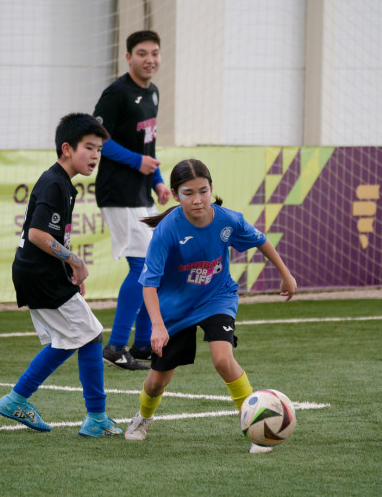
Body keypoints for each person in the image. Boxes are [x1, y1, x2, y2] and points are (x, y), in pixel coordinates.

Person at [124, 159, 297, 453]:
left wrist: (286, 274)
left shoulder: (228, 220)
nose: (198, 199)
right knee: (157, 381)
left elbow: (261, 240)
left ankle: (256, 426)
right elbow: (149, 284)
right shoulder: (167, 230)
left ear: (211, 189)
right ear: (175, 195)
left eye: (203, 191)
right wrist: (158, 326)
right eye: (188, 193)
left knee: (222, 359)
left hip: (217, 296)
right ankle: (143, 417)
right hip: (175, 308)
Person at [0, 113, 122, 437]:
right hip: (39, 275)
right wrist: (75, 262)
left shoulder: (62, 183)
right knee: (89, 334)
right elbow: (38, 234)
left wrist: (69, 272)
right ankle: (94, 418)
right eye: (89, 147)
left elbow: (53, 236)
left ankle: (19, 399)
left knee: (72, 338)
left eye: (99, 150)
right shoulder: (54, 183)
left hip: (38, 273)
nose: (95, 155)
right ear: (67, 148)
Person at [93, 30, 171, 371]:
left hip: (141, 193)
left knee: (154, 266)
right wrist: (136, 162)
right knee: (141, 267)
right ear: (128, 57)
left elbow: (147, 146)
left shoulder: (153, 92)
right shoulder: (116, 93)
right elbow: (98, 139)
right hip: (118, 192)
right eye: (142, 53)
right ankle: (116, 346)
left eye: (154, 53)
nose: (149, 59)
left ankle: (142, 345)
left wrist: (158, 181)